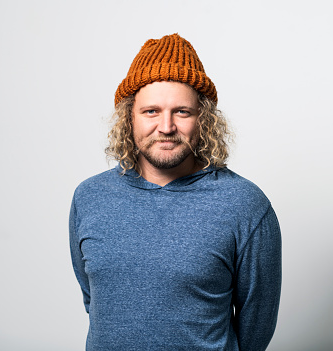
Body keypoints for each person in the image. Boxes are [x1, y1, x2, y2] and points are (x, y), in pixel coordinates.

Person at [69, 33, 281, 351]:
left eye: (182, 112)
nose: (166, 126)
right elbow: (95, 303)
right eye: (151, 111)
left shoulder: (244, 204)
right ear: (129, 117)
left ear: (204, 119)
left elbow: (256, 324)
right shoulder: (90, 197)